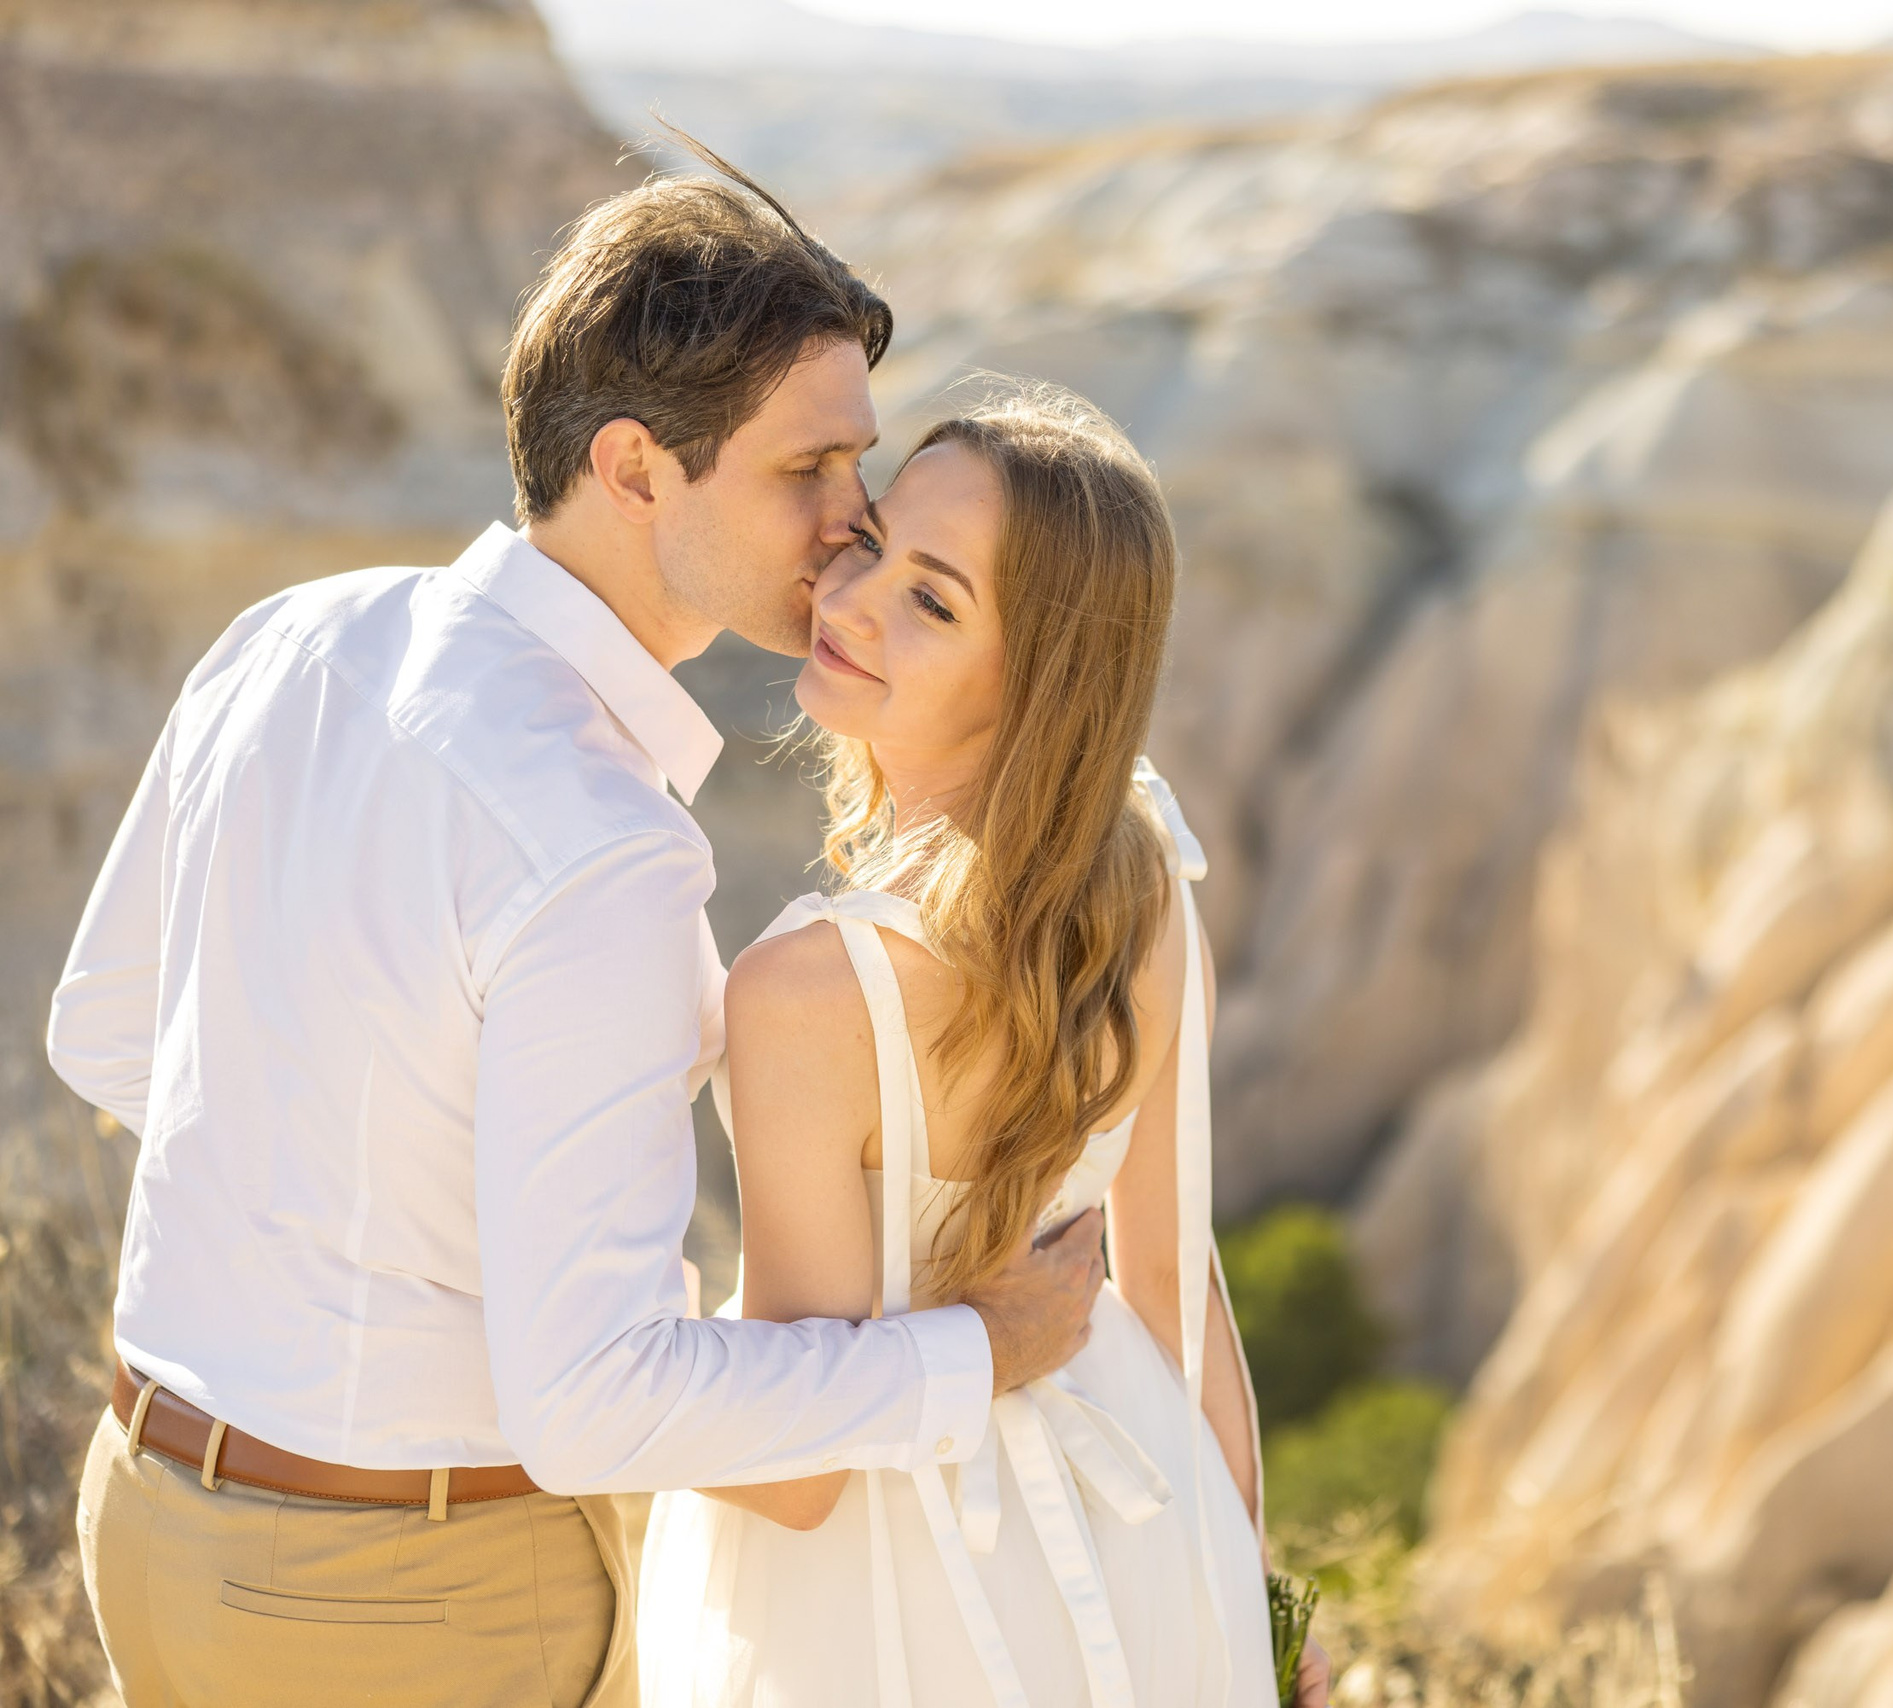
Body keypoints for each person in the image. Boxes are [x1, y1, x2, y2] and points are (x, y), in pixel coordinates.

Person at [46, 153, 1106, 1708]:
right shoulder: (600, 851)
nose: (852, 521)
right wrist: (980, 1355)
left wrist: (355, 1231)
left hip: (145, 1516)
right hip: (409, 1602)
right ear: (633, 469)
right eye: (806, 469)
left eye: (856, 463)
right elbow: (597, 1407)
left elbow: (106, 1032)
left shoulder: (290, 635)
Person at [634, 386, 1331, 1708]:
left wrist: (574, 1338)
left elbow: (795, 1471)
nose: (848, 602)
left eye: (935, 603)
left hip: (885, 1599)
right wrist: (1259, 1607)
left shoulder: (802, 992)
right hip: (1146, 1524)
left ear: (1041, 676)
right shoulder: (1140, 868)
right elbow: (1178, 1293)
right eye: (877, 543)